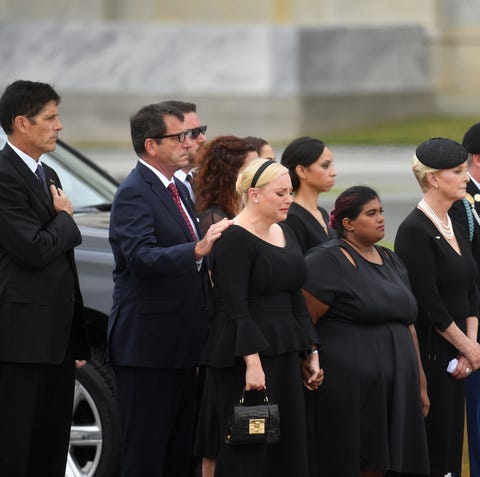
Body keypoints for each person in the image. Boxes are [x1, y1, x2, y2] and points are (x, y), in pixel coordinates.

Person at [107, 102, 231, 477]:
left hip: (184, 346)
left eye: (191, 133)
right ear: (151, 146)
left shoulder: (182, 185)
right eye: (180, 136)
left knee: (181, 454)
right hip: (148, 350)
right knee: (147, 454)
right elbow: (139, 257)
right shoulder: (134, 191)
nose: (190, 142)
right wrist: (196, 249)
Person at [196, 158, 323, 477]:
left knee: (288, 447)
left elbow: (295, 294)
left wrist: (312, 351)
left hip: (284, 352)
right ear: (253, 195)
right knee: (249, 447)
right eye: (280, 193)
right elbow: (235, 305)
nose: (289, 200)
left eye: (290, 192)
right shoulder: (234, 238)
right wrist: (252, 364)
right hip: (244, 356)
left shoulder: (287, 232)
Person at [302, 185, 430, 477]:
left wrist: (419, 380)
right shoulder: (326, 260)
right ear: (348, 223)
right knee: (359, 460)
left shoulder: (391, 260)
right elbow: (304, 320)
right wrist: (308, 361)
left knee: (392, 463)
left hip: (397, 384)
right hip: (351, 388)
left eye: (381, 211)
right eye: (371, 213)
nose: (381, 218)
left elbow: (408, 322)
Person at [0, 80, 90, 476]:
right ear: (22, 122)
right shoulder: (4, 176)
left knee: (52, 446)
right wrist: (67, 220)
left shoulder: (47, 171)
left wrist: (77, 335)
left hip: (57, 338)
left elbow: (60, 262)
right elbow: (33, 249)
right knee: (16, 446)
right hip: (20, 339)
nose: (59, 126)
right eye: (50, 117)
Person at [395, 138, 480, 477]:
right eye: (457, 172)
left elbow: (472, 286)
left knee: (453, 445)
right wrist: (467, 348)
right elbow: (428, 302)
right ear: (433, 178)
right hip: (434, 351)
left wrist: (471, 348)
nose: (465, 177)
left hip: (463, 350)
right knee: (437, 448)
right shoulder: (414, 229)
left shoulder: (456, 223)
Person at [281, 136, 336, 254]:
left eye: (332, 165)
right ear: (301, 171)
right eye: (325, 166)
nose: (333, 173)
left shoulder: (322, 213)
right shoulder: (291, 217)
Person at [194, 135, 258, 235]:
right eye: (252, 168)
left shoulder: (252, 207)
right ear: (230, 173)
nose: (259, 173)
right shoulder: (213, 217)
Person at [163, 100, 208, 201]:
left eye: (202, 130)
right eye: (193, 133)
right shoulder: (159, 190)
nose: (203, 139)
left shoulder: (205, 184)